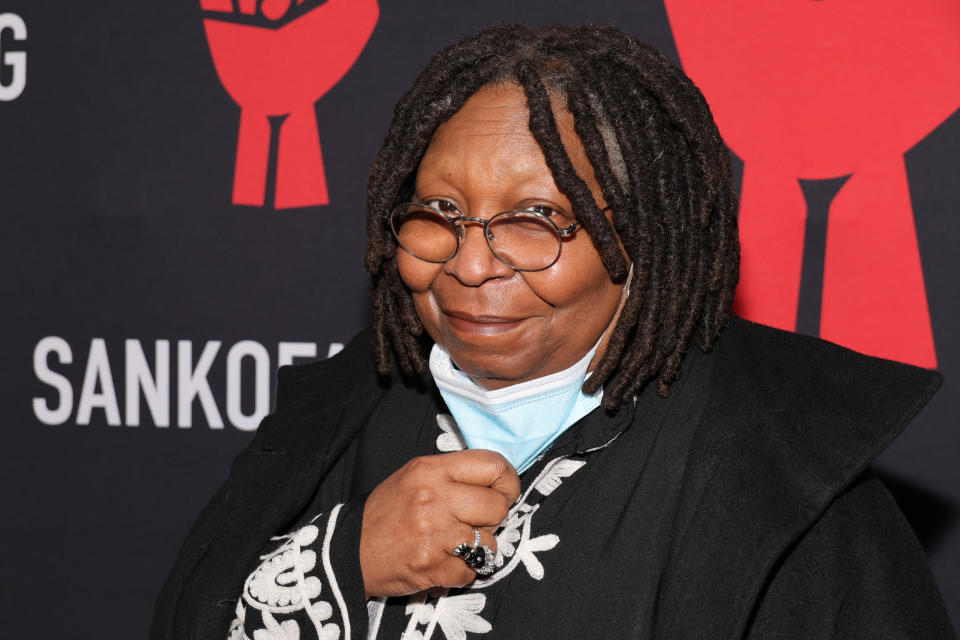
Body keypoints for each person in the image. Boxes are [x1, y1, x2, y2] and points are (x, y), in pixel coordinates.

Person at [150, 24, 955, 640]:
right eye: (438, 214)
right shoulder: (333, 412)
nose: (470, 265)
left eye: (537, 220)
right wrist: (343, 559)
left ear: (643, 240)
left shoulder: (787, 489)